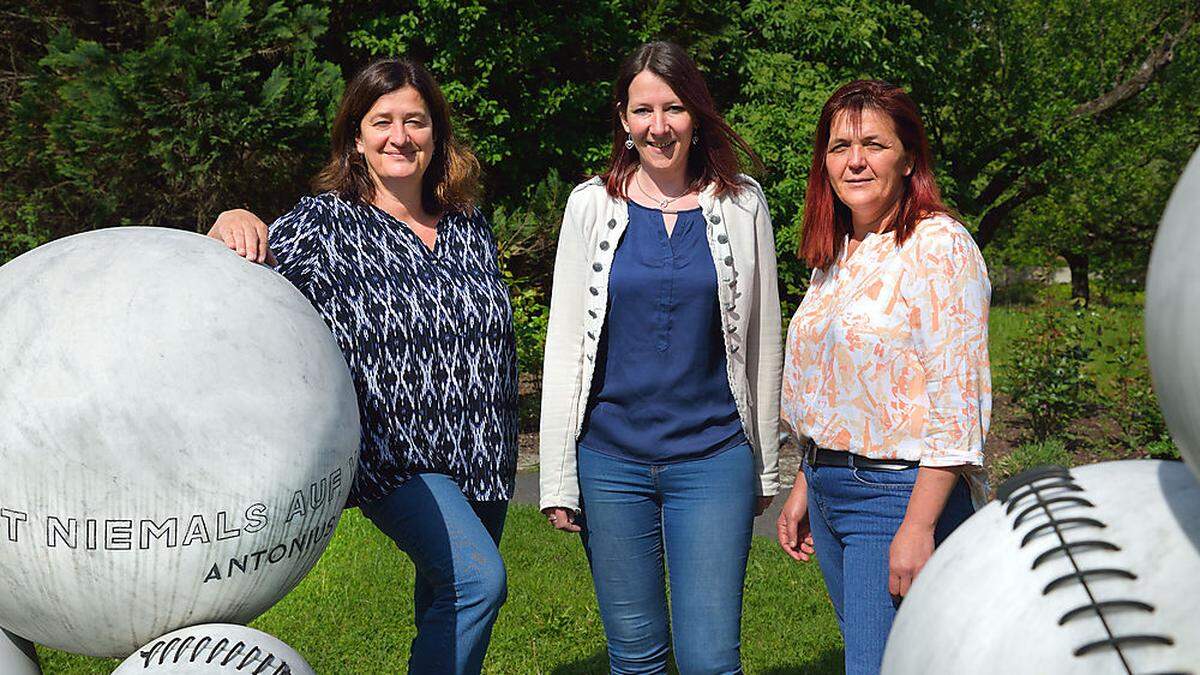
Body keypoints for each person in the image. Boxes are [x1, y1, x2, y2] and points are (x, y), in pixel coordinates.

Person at [206, 58, 517, 675]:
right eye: (383, 122)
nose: (400, 137)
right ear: (357, 136)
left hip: (484, 449)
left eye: (416, 121)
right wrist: (228, 222)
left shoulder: (467, 224)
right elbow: (237, 288)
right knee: (477, 583)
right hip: (392, 455)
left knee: (446, 598)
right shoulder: (324, 225)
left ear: (437, 134)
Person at [539, 41, 781, 674]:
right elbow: (565, 343)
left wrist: (765, 467)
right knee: (636, 660)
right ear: (623, 118)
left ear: (696, 115)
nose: (659, 126)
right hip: (611, 461)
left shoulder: (742, 203)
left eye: (674, 108)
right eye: (643, 109)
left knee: (709, 660)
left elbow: (762, 341)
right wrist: (560, 476)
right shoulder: (590, 205)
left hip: (713, 459)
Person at [776, 79, 991, 675]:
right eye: (840, 145)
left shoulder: (938, 246)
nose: (855, 161)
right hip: (829, 491)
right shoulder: (841, 250)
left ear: (909, 156)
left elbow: (957, 400)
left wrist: (919, 525)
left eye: (873, 143)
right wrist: (804, 483)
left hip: (895, 498)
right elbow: (836, 386)